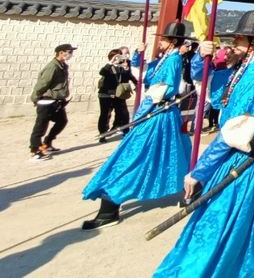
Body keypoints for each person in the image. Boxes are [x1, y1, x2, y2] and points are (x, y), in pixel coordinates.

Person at [155, 9, 254, 278]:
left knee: (222, 227)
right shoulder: (240, 71)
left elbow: (234, 133)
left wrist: (201, 170)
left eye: (238, 40)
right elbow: (207, 83)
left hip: (239, 159)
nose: (232, 45)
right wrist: (202, 58)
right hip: (235, 158)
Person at [80, 22, 192, 230]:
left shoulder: (174, 59)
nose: (160, 42)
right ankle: (189, 190)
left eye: (164, 39)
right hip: (156, 112)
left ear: (173, 42)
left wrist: (145, 108)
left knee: (134, 156)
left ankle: (111, 202)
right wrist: (138, 56)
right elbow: (144, 76)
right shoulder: (164, 59)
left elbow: (162, 89)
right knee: (173, 154)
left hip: (157, 113)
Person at [29, 43, 76, 161]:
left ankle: (47, 143)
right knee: (40, 126)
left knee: (62, 121)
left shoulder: (62, 66)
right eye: (69, 52)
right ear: (61, 53)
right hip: (46, 101)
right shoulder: (53, 67)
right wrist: (35, 98)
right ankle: (35, 151)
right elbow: (42, 84)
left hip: (57, 101)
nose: (71, 54)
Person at [97, 48, 138, 141]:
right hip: (106, 95)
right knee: (105, 114)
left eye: (120, 56)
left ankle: (125, 131)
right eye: (117, 56)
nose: (119, 58)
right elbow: (102, 72)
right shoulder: (108, 67)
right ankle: (102, 134)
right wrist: (111, 62)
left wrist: (126, 68)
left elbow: (127, 77)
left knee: (123, 113)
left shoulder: (121, 67)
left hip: (118, 95)